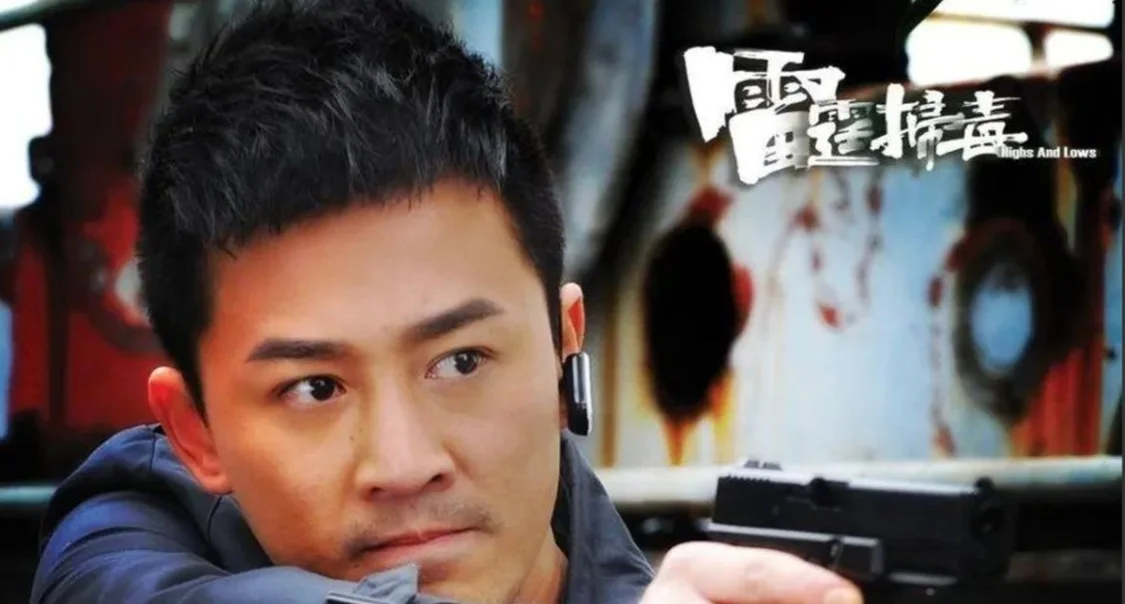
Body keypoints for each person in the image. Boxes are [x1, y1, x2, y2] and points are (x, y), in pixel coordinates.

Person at [29, 1, 864, 603]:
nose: (402, 464)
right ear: (196, 435)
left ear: (563, 348)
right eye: (314, 388)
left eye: (460, 362)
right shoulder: (126, 539)